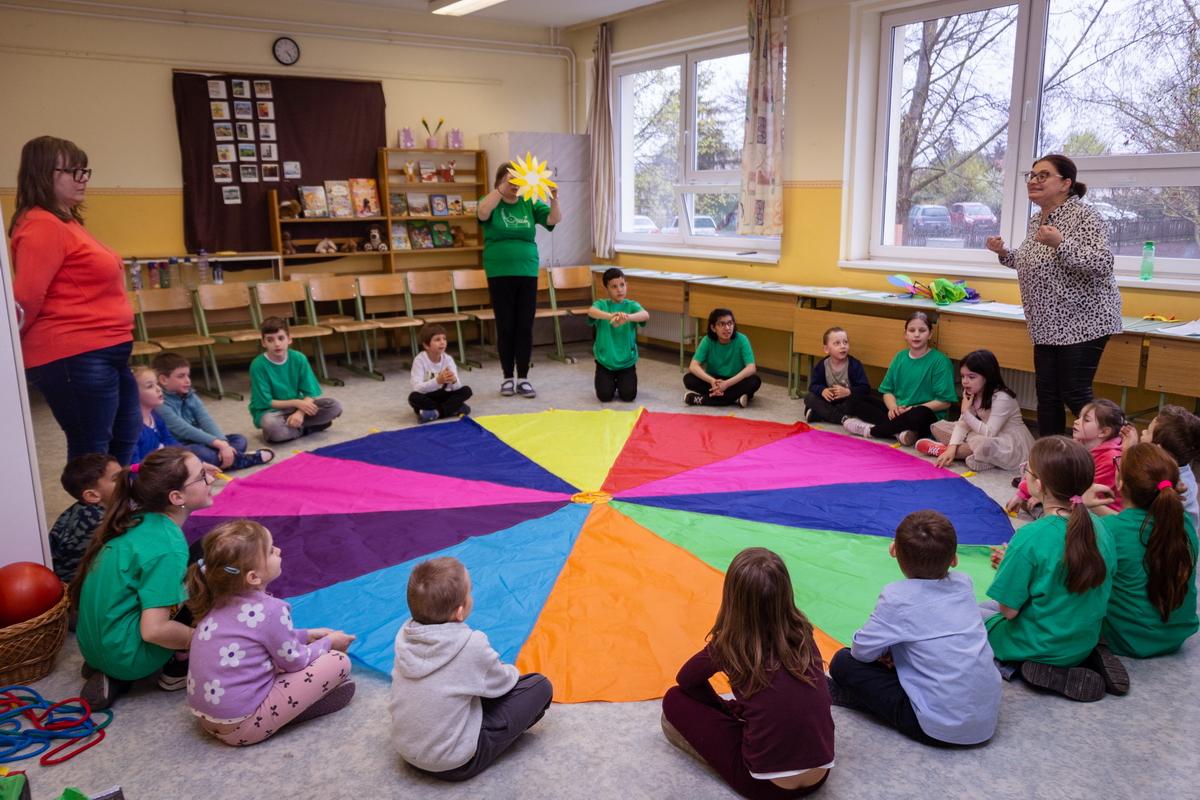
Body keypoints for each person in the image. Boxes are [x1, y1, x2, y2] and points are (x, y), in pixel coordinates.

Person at [661, 548, 834, 799]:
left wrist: (720, 707)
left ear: (732, 598)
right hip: (820, 775)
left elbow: (686, 680)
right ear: (786, 593)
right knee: (772, 707)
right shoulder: (803, 633)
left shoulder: (730, 644)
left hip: (764, 787)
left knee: (674, 698)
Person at [11, 136, 140, 464]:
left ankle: (114, 499)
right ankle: (90, 501)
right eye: (73, 172)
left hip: (105, 350)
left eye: (85, 171)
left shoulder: (66, 222)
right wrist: (8, 349)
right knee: (92, 450)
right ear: (43, 174)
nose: (83, 179)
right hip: (74, 353)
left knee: (125, 436)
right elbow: (25, 299)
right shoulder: (41, 224)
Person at [828, 510, 1000, 746]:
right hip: (986, 719)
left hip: (937, 728)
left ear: (893, 550)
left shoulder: (896, 597)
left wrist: (885, 651)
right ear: (954, 559)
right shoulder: (964, 582)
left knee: (843, 661)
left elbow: (861, 652)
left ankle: (873, 704)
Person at [185, 519, 356, 746]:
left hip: (207, 720)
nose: (278, 550)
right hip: (243, 727)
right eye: (270, 550)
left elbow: (258, 639)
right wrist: (329, 643)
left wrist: (305, 635)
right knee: (338, 662)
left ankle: (284, 709)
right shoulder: (271, 610)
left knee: (267, 659)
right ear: (253, 577)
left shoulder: (217, 600)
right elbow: (296, 661)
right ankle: (292, 712)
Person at [986, 154, 1122, 438]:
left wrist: (1061, 243)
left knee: (1074, 393)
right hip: (1046, 324)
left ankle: (1116, 452)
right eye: (1032, 175)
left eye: (1043, 175)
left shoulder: (1085, 216)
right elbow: (1033, 261)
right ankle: (1050, 459)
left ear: (1065, 184)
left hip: (1084, 321)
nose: (1033, 181)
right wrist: (1005, 254)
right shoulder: (1038, 219)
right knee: (1047, 396)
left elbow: (1102, 263)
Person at [71, 448, 215, 710]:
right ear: (176, 497)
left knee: (197, 556)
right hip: (130, 658)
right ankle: (178, 665)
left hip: (93, 646)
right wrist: (207, 641)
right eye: (202, 476)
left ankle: (110, 665)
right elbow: (155, 630)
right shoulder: (167, 546)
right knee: (212, 558)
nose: (211, 479)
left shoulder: (134, 519)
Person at [388, 556, 553, 781]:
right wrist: (496, 670)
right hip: (454, 763)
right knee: (539, 686)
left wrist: (480, 673)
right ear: (459, 612)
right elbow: (504, 684)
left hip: (406, 750)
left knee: (463, 690)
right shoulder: (471, 643)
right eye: (470, 592)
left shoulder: (404, 636)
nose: (472, 596)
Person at [984, 436, 1121, 702]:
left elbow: (1009, 611)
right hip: (1081, 638)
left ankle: (1016, 666)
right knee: (991, 608)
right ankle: (1086, 655)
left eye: (1027, 470)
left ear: (1039, 485)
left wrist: (1009, 570)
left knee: (973, 616)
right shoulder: (1101, 527)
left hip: (1040, 643)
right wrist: (1016, 566)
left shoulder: (1030, 537)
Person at [1079, 444, 1198, 659]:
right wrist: (1091, 506)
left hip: (1124, 638)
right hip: (1175, 636)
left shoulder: (1108, 531)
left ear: (1120, 483)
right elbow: (1134, 528)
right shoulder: (1182, 520)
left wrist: (1077, 502)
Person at [477, 163, 563, 399]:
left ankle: (523, 378)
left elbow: (554, 219)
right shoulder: (490, 200)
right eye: (511, 180)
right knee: (505, 326)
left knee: (524, 326)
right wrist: (500, 190)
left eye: (519, 181)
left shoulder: (528, 202)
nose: (516, 185)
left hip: (527, 271)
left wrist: (554, 198)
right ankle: (507, 377)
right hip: (498, 271)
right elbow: (482, 213)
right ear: (500, 181)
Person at [841, 312, 956, 445]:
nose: (916, 335)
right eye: (912, 330)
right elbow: (887, 390)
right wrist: (893, 408)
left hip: (921, 416)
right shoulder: (900, 357)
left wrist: (912, 409)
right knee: (854, 399)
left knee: (921, 413)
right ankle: (899, 432)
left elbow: (944, 402)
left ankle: (872, 431)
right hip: (898, 412)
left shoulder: (940, 361)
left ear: (930, 334)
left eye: (922, 330)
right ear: (905, 334)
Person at [917, 349, 1034, 471]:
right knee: (939, 426)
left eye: (971, 377)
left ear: (987, 377)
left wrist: (965, 413)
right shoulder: (974, 393)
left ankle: (945, 451)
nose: (964, 381)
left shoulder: (1002, 398)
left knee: (982, 443)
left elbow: (989, 433)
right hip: (984, 433)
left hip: (1008, 443)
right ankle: (956, 452)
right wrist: (952, 446)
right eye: (963, 376)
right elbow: (962, 425)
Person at [153, 352, 273, 470]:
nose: (187, 380)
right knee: (199, 452)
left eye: (187, 375)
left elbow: (206, 421)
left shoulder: (191, 395)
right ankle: (242, 459)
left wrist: (223, 443)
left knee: (239, 439)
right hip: (179, 447)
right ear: (163, 380)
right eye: (181, 376)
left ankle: (221, 459)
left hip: (198, 441)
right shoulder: (160, 403)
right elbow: (184, 430)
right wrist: (218, 444)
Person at [1009, 398, 1123, 516]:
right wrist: (1022, 495)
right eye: (1079, 417)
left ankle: (1053, 516)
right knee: (1029, 497)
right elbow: (1047, 470)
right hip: (1071, 497)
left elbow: (1092, 495)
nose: (1076, 421)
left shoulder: (1111, 457)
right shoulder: (1075, 444)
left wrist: (1047, 496)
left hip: (1096, 508)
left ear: (1103, 432)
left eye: (1086, 420)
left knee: (1047, 507)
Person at [249, 317, 343, 443]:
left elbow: (310, 392)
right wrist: (297, 403)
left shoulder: (298, 358)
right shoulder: (258, 365)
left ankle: (291, 428)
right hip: (271, 411)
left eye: (281, 338)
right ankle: (307, 429)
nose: (277, 344)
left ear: (289, 339)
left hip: (297, 407)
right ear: (263, 343)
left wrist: (300, 412)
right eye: (270, 340)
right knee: (271, 424)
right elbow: (266, 402)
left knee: (334, 405)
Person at [1125, 406, 1200, 531]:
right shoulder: (1180, 466)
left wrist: (1128, 451)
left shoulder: (1169, 482)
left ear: (1158, 450)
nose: (1143, 432)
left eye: (1148, 432)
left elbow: (1137, 523)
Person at [49, 453, 121, 583]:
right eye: (116, 479)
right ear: (92, 496)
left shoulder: (80, 509)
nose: (126, 480)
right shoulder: (100, 520)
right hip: (77, 587)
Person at [588, 268, 649, 403]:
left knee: (628, 396)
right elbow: (591, 311)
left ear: (626, 285)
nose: (619, 290)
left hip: (626, 362)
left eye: (622, 285)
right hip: (605, 362)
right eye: (614, 287)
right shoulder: (601, 304)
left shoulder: (631, 305)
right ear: (606, 289)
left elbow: (645, 315)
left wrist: (627, 317)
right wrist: (610, 316)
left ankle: (620, 382)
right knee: (604, 397)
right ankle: (610, 382)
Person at [684, 309, 762, 408]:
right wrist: (711, 381)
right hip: (714, 381)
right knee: (688, 379)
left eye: (730, 323)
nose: (727, 328)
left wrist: (727, 384)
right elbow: (693, 366)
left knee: (754, 381)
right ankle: (734, 399)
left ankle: (702, 399)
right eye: (721, 324)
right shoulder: (707, 340)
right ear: (713, 327)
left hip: (735, 381)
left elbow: (751, 368)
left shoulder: (742, 340)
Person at [802, 327, 876, 425]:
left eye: (845, 342)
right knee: (809, 397)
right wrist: (823, 390)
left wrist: (848, 392)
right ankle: (841, 418)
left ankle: (821, 414)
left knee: (859, 403)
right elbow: (813, 386)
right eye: (837, 343)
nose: (842, 346)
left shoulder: (855, 365)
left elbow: (865, 388)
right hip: (829, 401)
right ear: (826, 349)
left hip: (847, 402)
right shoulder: (821, 366)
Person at [409, 323, 473, 423]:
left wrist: (454, 381)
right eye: (437, 339)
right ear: (426, 345)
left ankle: (435, 413)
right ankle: (454, 409)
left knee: (466, 391)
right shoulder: (419, 360)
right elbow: (417, 388)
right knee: (413, 398)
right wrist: (437, 381)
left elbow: (457, 388)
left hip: (444, 395)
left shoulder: (448, 359)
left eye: (444, 338)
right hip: (428, 396)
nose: (442, 342)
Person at [132, 365, 181, 464]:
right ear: (133, 394)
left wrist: (199, 462)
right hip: (152, 471)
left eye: (156, 383)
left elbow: (170, 442)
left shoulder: (155, 415)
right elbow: (133, 465)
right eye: (150, 386)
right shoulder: (132, 428)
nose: (158, 389)